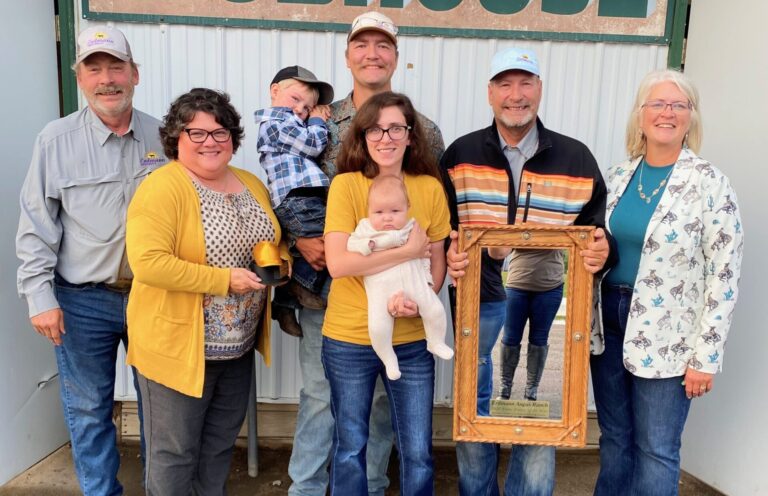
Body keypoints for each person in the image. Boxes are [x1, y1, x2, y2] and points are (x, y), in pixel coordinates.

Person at [284, 11, 445, 496]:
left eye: (383, 45)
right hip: (327, 297)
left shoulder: (427, 141)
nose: (372, 54)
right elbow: (285, 179)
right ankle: (306, 490)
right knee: (322, 404)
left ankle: (373, 488)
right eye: (362, 44)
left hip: (406, 311)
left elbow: (433, 246)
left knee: (385, 420)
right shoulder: (315, 121)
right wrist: (297, 237)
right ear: (348, 54)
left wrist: (419, 283)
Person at [442, 47, 613, 496]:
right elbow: (441, 231)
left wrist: (603, 251)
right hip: (475, 309)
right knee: (473, 409)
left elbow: (598, 233)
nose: (515, 95)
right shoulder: (459, 155)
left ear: (539, 89)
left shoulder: (576, 159)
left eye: (525, 83)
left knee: (537, 409)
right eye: (505, 84)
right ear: (490, 93)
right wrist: (448, 253)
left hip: (552, 302)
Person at [15, 25, 165, 495]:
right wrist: (39, 297)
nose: (106, 80)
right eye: (93, 69)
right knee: (88, 409)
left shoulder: (165, 135)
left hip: (155, 297)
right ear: (79, 78)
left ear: (135, 73)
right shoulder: (54, 140)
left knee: (161, 409)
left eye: (115, 67)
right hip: (82, 301)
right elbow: (36, 224)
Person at [126, 88, 287, 494]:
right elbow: (148, 262)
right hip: (178, 349)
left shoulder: (251, 183)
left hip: (236, 350)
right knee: (174, 455)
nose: (209, 142)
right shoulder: (162, 187)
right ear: (175, 138)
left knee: (218, 448)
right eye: (196, 133)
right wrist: (223, 280)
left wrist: (280, 262)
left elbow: (272, 239)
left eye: (219, 132)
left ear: (232, 137)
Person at [589, 69, 743, 496]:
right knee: (614, 440)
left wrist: (706, 356)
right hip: (610, 322)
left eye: (678, 105)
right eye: (657, 103)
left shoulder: (709, 183)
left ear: (691, 117)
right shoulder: (617, 177)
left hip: (670, 333)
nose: (667, 113)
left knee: (656, 448)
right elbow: (595, 246)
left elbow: (725, 274)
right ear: (640, 115)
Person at [323, 90, 450, 494]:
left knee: (417, 450)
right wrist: (407, 250)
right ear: (362, 136)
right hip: (348, 338)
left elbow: (437, 261)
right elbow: (339, 264)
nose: (386, 137)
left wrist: (420, 297)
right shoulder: (345, 186)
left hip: (412, 339)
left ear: (411, 135)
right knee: (349, 447)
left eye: (396, 128)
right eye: (375, 130)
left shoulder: (429, 188)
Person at [347, 175, 453, 381]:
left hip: (414, 281)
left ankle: (436, 341)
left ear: (407, 208)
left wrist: (427, 281)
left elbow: (426, 255)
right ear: (369, 210)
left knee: (435, 309)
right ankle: (388, 358)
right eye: (379, 212)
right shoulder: (366, 228)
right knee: (378, 325)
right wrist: (365, 246)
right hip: (381, 288)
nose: (387, 218)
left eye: (395, 211)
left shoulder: (412, 228)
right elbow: (351, 244)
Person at [254, 65, 334, 337]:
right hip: (294, 196)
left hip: (303, 195)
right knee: (327, 240)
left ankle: (286, 301)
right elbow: (312, 145)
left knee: (321, 242)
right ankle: (294, 288)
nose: (301, 109)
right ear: (275, 91)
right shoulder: (275, 124)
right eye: (295, 99)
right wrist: (318, 121)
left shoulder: (291, 122)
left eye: (308, 107)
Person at [498, 249, 564, 401]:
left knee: (539, 339)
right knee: (510, 338)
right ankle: (504, 388)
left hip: (550, 286)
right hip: (517, 284)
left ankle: (531, 391)